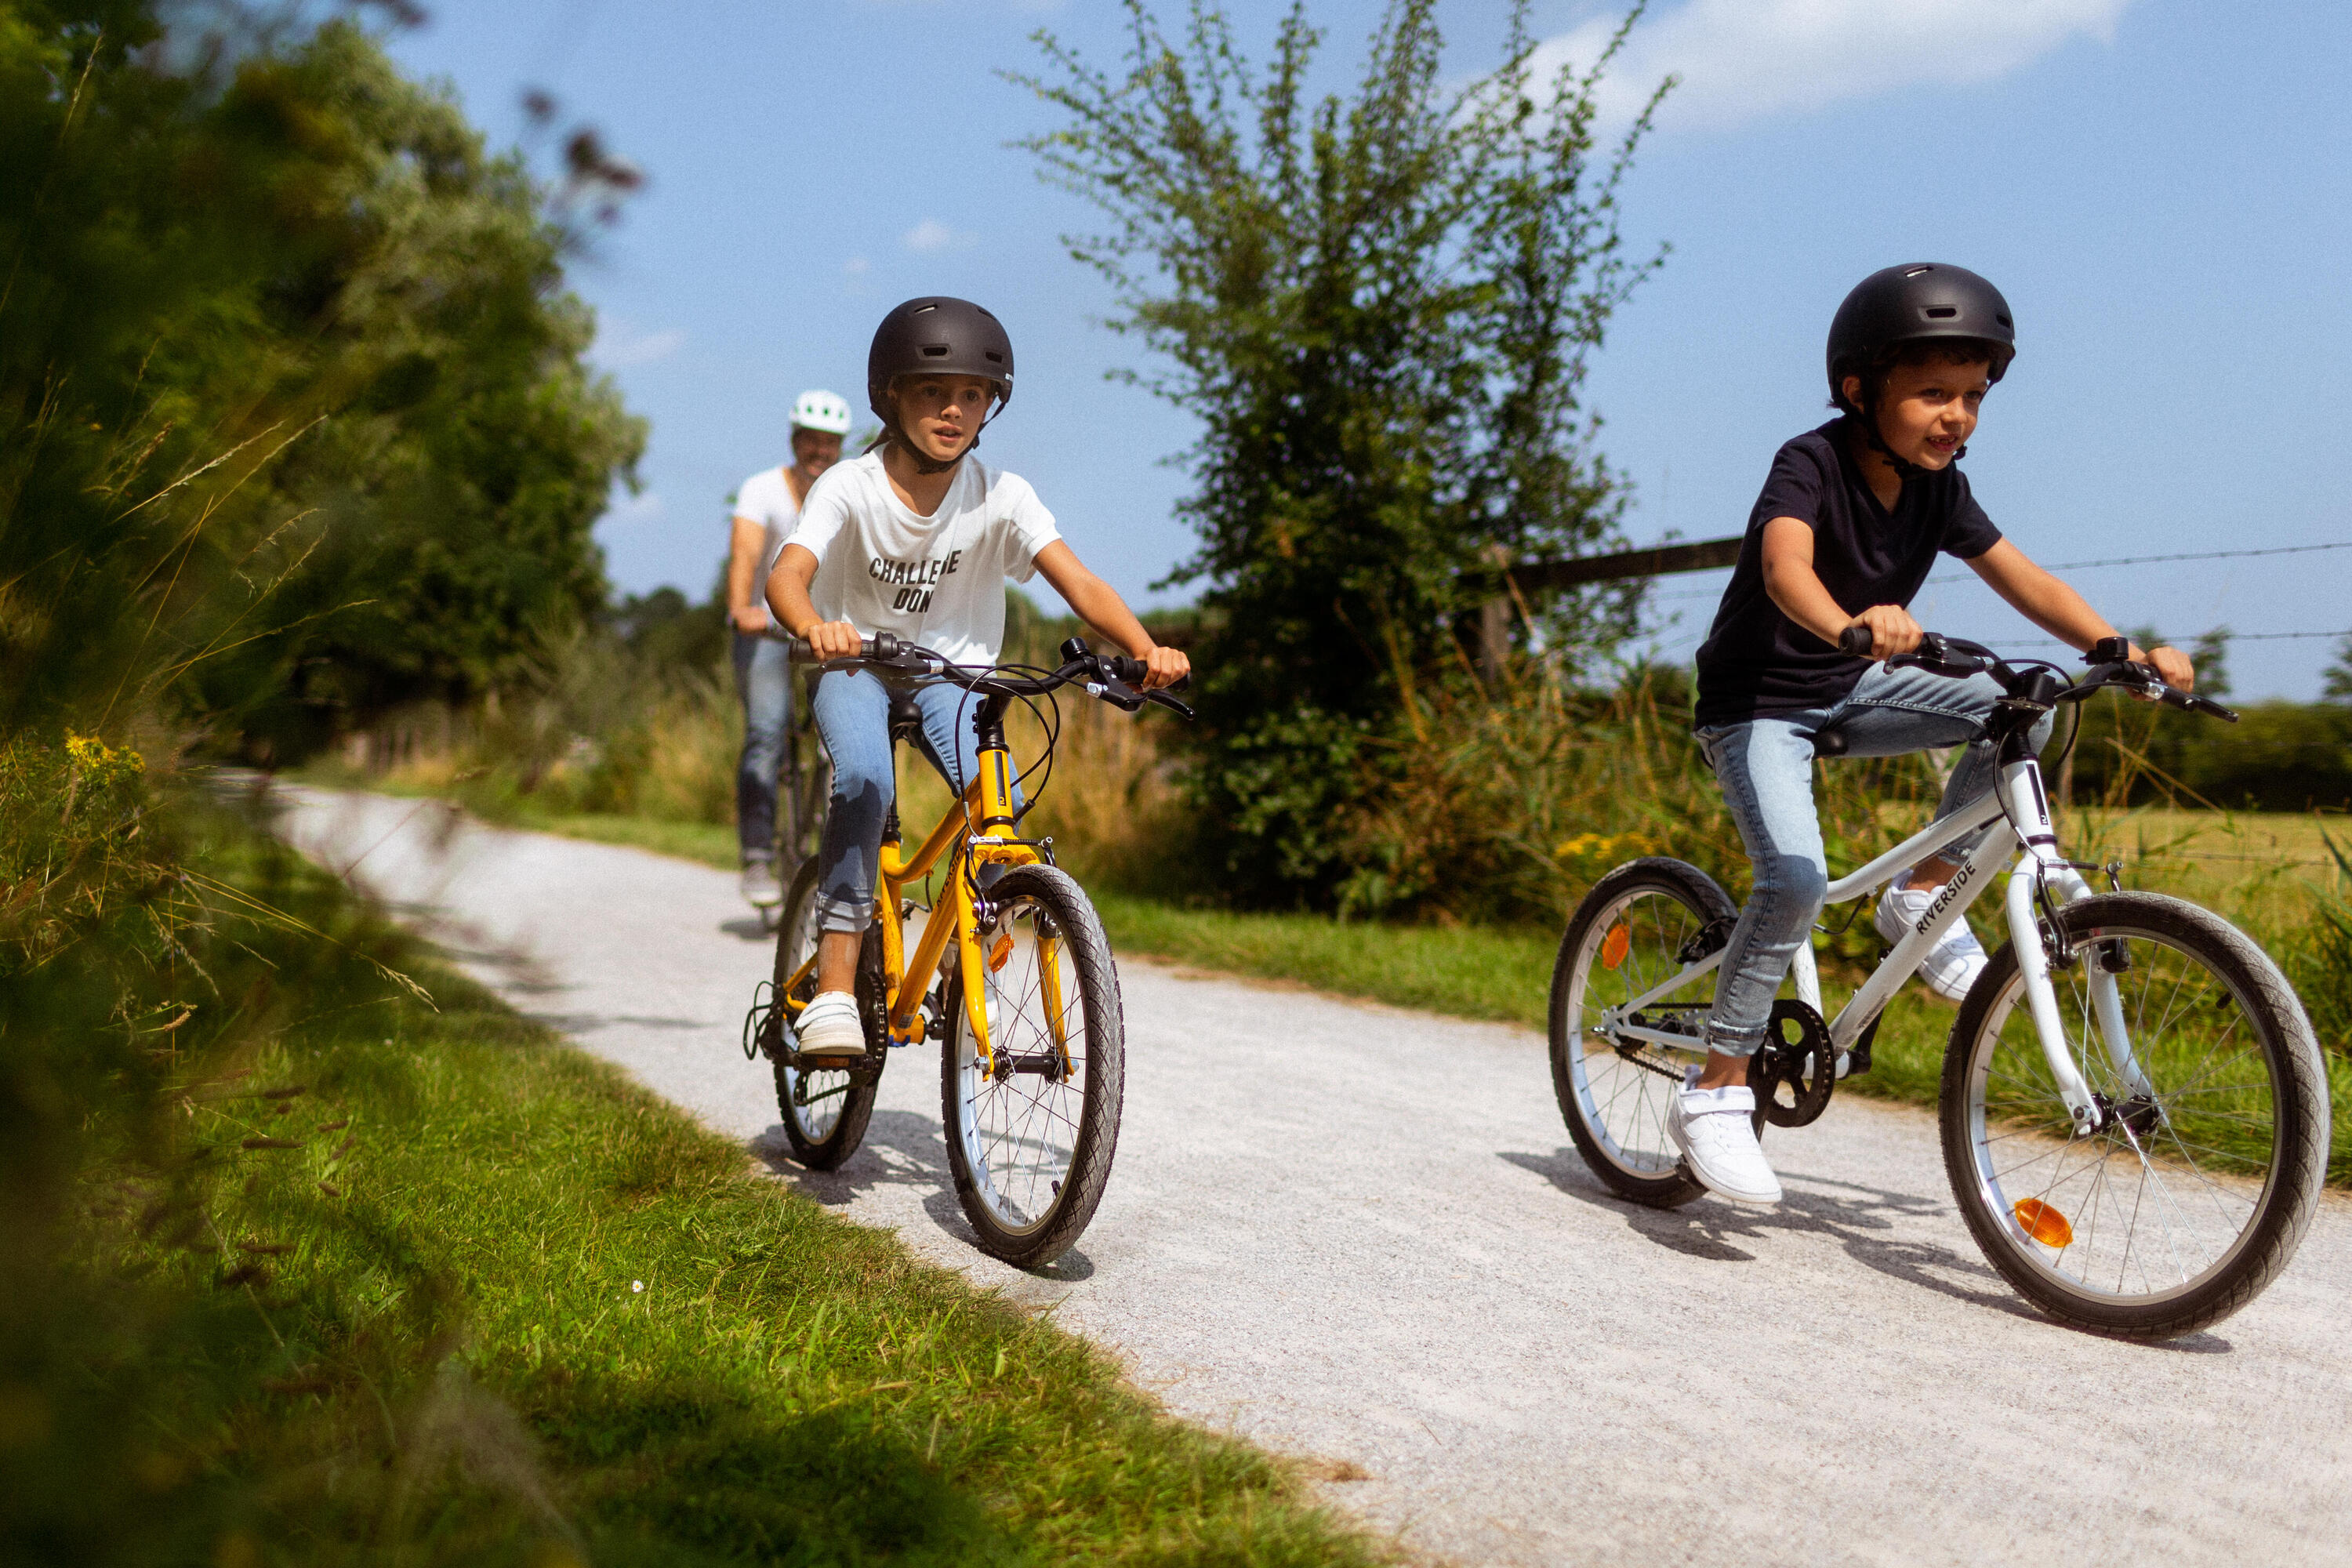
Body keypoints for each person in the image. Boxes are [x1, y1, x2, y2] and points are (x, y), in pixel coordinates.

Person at [1675, 263, 2196, 1206]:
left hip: (1850, 685)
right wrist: (1848, 622)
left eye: (1973, 396)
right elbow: (1784, 563)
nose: (1957, 415)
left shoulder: (1943, 490)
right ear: (1860, 389)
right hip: (1758, 701)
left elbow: (2025, 578)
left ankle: (1920, 893)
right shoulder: (1812, 461)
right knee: (1794, 876)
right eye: (1931, 394)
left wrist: (2121, 650)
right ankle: (1715, 1087)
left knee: (2019, 703)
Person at [764, 296, 1189, 1057]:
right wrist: (812, 625)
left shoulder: (1002, 495)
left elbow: (1080, 584)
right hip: (855, 663)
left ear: (992, 404)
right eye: (932, 392)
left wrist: (1145, 646)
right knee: (865, 780)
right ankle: (832, 991)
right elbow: (788, 574)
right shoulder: (850, 486)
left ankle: (971, 950)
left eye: (972, 394)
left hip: (949, 675)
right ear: (891, 397)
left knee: (1001, 802)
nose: (953, 409)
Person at [728, 390, 854, 907]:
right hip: (767, 627)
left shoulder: (848, 491)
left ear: (840, 447)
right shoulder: (763, 490)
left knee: (840, 741)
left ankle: (838, 848)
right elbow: (746, 552)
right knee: (765, 732)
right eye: (811, 441)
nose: (819, 451)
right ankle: (758, 854)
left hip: (826, 631)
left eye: (829, 443)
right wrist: (742, 608)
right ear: (794, 440)